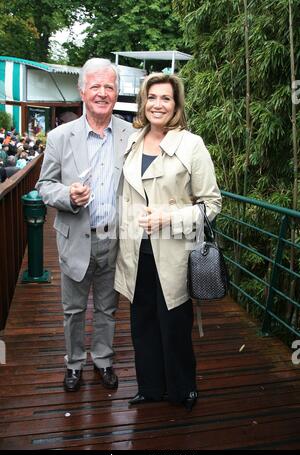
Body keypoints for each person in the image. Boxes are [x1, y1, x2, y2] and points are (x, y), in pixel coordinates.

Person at [114, 73, 222, 410]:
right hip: (136, 252)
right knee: (142, 324)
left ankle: (183, 389)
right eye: (152, 97)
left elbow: (212, 203)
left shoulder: (192, 145)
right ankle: (149, 387)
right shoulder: (132, 142)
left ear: (176, 105)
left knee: (174, 327)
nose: (158, 104)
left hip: (173, 253)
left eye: (166, 98)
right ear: (143, 102)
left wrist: (169, 217)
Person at [36, 58, 134, 392]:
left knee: (108, 308)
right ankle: (74, 364)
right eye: (96, 86)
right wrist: (68, 195)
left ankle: (103, 360)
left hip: (114, 239)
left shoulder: (130, 135)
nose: (103, 93)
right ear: (82, 91)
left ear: (117, 93)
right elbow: (44, 187)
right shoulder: (60, 137)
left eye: (109, 87)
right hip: (76, 237)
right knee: (74, 309)